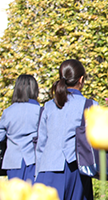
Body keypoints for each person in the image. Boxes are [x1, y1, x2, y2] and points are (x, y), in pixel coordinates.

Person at [35, 59, 95, 200]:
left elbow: (41, 145)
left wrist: (37, 174)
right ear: (81, 80)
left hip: (47, 168)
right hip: (74, 169)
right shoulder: (90, 105)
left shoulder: (48, 107)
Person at [0, 74, 41, 182]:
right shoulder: (39, 111)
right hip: (33, 159)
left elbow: (0, 137)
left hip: (13, 161)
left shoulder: (8, 112)